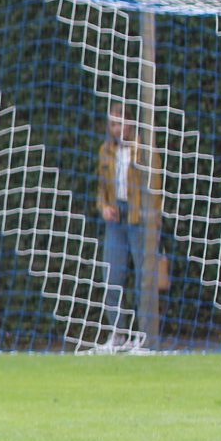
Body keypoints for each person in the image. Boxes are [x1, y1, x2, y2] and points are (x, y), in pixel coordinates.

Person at [96, 103, 159, 341]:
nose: (117, 128)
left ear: (130, 123)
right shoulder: (105, 150)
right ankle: (118, 333)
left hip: (138, 216)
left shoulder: (143, 149)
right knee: (111, 276)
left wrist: (151, 214)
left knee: (144, 277)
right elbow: (101, 187)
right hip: (116, 218)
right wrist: (104, 207)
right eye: (113, 124)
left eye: (121, 123)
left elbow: (156, 183)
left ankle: (144, 334)